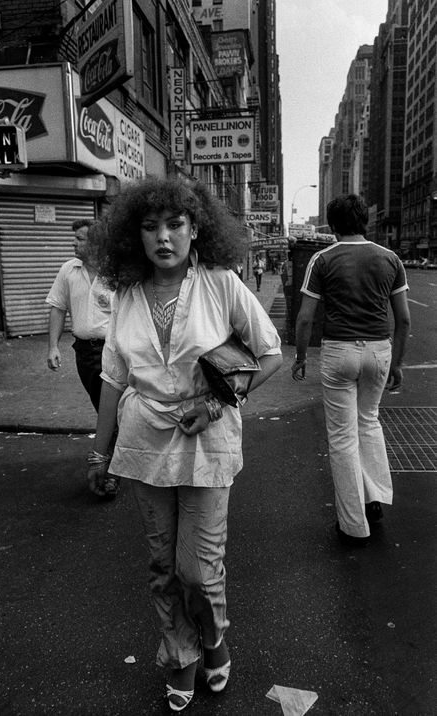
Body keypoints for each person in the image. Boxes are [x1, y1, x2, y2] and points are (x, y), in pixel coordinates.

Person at [87, 176, 282, 711]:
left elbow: (269, 354)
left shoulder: (220, 283)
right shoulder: (126, 294)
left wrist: (216, 403)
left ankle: (213, 636)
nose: (163, 237)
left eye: (175, 225)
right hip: (143, 443)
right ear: (136, 236)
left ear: (196, 229)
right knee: (162, 566)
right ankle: (183, 656)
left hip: (207, 439)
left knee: (198, 568)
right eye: (150, 227)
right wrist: (100, 454)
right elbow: (112, 380)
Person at [291, 194, 410, 548]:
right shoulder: (390, 259)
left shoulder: (322, 259)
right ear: (365, 223)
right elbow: (403, 319)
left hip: (339, 351)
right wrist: (398, 363)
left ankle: (352, 524)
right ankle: (375, 499)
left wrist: (299, 358)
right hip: (378, 350)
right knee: (369, 421)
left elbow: (305, 318)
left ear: (334, 224)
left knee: (343, 437)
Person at [46, 219, 114, 413]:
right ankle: (112, 440)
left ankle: (112, 442)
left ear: (96, 242)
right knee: (99, 403)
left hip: (113, 350)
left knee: (114, 406)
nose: (73, 243)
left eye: (79, 239)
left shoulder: (116, 272)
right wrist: (53, 347)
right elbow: (58, 308)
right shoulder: (68, 270)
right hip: (84, 352)